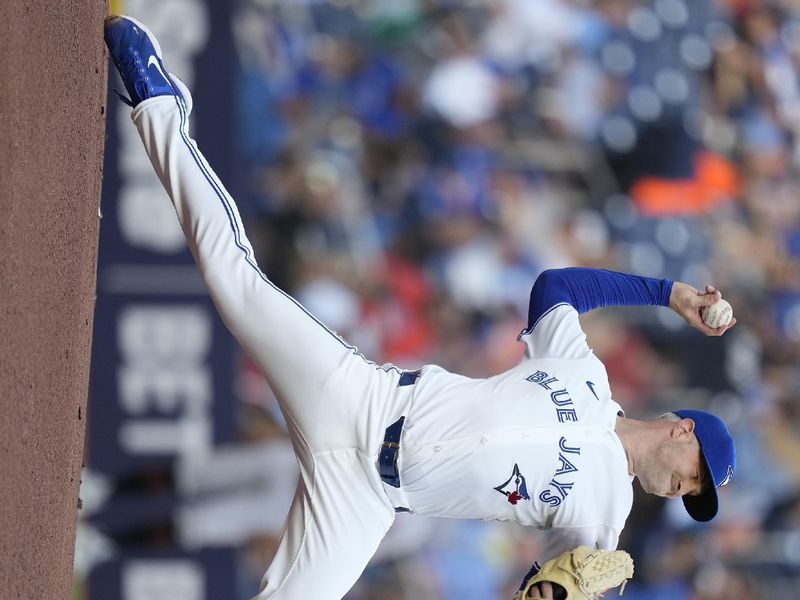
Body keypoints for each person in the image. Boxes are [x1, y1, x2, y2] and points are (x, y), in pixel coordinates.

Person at [103, 15, 738, 600]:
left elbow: (549, 584)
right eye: (697, 475)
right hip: (364, 398)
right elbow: (555, 288)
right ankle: (159, 106)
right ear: (683, 429)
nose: (688, 492)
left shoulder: (604, 526)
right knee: (231, 276)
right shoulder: (587, 377)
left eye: (696, 496)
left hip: (366, 500)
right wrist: (665, 292)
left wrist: (546, 591)